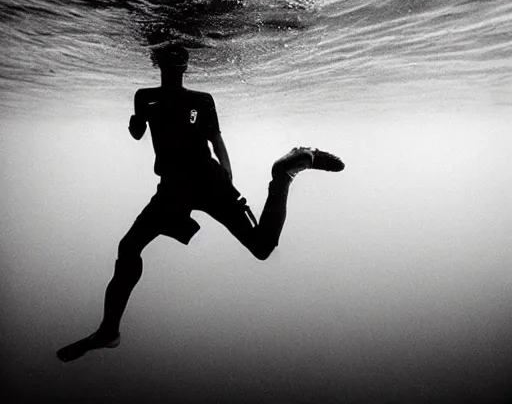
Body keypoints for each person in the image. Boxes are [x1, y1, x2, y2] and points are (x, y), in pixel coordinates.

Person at [56, 44, 344, 363]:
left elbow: (206, 140)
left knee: (135, 248)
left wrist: (226, 180)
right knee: (131, 248)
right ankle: (109, 330)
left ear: (164, 63)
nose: (172, 67)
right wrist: (224, 181)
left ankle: (283, 174)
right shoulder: (161, 98)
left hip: (194, 185)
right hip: (187, 187)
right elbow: (155, 133)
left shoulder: (176, 98)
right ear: (180, 65)